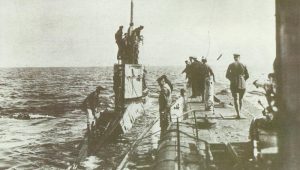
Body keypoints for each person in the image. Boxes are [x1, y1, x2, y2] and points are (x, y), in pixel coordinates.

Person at [226, 54, 249, 119]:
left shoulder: (231, 65)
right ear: (239, 58)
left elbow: (227, 75)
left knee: (235, 99)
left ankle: (238, 114)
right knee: (241, 99)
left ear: (234, 58)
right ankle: (240, 112)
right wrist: (243, 80)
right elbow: (247, 75)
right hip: (242, 83)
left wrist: (232, 79)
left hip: (234, 83)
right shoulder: (244, 64)